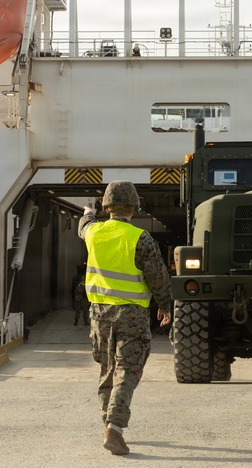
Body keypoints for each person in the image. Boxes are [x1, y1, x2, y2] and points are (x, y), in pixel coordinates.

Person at [78, 180, 172, 456]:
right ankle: (115, 429)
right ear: (135, 207)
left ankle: (107, 422)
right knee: (127, 370)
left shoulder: (93, 232)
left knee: (108, 369)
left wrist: (88, 212)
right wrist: (166, 306)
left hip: (99, 313)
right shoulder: (141, 238)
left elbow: (84, 226)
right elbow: (159, 278)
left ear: (106, 206)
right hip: (131, 314)